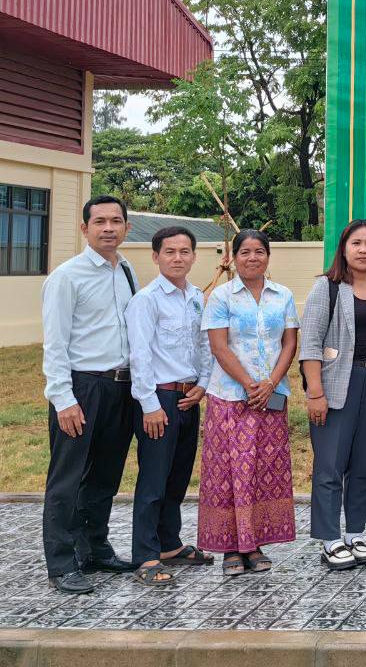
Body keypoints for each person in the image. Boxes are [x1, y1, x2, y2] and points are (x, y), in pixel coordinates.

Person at [41, 196, 139, 594]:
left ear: (127, 228)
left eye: (116, 221)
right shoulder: (67, 277)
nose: (108, 228)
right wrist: (63, 398)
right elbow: (54, 343)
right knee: (67, 479)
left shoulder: (127, 270)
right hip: (81, 387)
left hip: (120, 387)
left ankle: (94, 548)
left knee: (105, 477)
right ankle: (62, 563)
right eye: (99, 221)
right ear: (85, 228)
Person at [198, 229, 299, 576]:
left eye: (259, 251)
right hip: (230, 397)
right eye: (245, 252)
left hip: (271, 398)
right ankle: (230, 546)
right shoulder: (221, 297)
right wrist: (248, 383)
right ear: (234, 257)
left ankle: (254, 544)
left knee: (260, 471)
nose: (252, 257)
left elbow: (289, 343)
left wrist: (270, 383)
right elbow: (219, 346)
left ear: (268, 256)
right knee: (230, 472)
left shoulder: (282, 295)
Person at [300, 220, 366, 571]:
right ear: (344, 248)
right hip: (337, 383)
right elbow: (310, 343)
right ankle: (330, 538)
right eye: (356, 243)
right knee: (330, 465)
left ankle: (355, 533)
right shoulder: (327, 287)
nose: (363, 250)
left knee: (364, 465)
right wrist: (315, 393)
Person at [126, 226, 214, 586]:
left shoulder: (196, 297)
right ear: (155, 256)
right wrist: (149, 404)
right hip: (158, 399)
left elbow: (204, 345)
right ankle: (145, 555)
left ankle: (169, 544)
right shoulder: (146, 300)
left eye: (184, 251)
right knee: (154, 479)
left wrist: (203, 385)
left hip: (188, 397)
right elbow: (139, 355)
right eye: (169, 252)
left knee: (178, 476)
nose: (177, 258)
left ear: (193, 256)